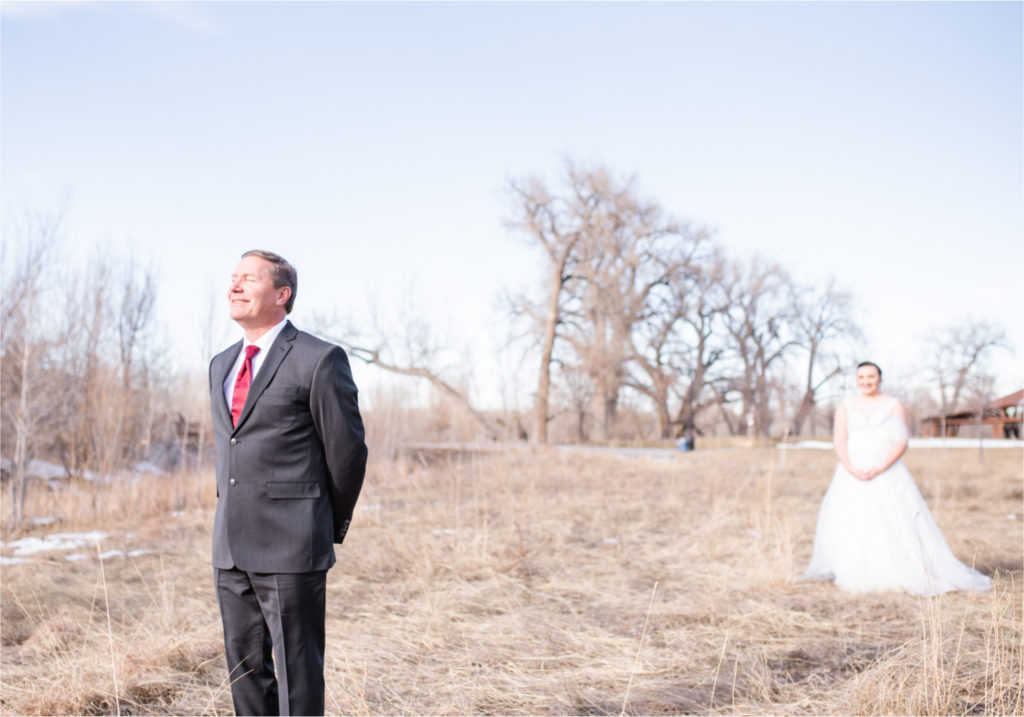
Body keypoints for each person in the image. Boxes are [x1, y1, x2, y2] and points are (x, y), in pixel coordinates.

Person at [209, 250, 367, 715]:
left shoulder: (319, 359)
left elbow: (347, 452)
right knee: (245, 672)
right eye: (233, 277)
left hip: (292, 547)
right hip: (230, 548)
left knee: (298, 676)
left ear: (282, 294)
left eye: (249, 278)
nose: (235, 286)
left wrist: (318, 526)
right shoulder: (221, 364)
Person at [803, 361, 992, 596]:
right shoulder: (846, 406)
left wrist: (880, 467)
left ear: (879, 378)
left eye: (871, 376)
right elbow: (840, 440)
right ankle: (853, 567)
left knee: (895, 518)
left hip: (887, 470)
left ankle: (897, 568)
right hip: (852, 471)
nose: (866, 381)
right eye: (861, 377)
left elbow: (901, 441)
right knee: (852, 518)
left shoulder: (893, 405)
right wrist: (850, 467)